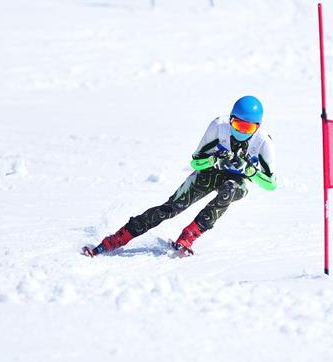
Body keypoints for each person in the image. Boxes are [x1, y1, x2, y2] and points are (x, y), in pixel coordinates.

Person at [82, 96, 276, 257]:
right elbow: (195, 162)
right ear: (230, 118)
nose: (241, 131)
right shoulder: (219, 127)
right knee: (172, 208)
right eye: (237, 124)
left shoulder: (263, 142)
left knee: (229, 190)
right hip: (210, 172)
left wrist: (251, 172)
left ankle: (188, 236)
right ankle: (118, 238)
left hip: (239, 182)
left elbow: (271, 184)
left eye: (248, 128)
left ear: (257, 127)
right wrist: (213, 162)